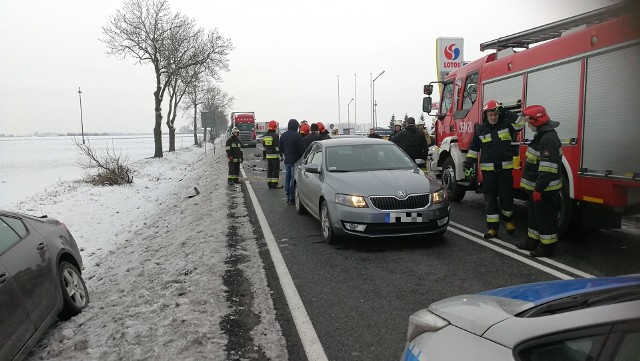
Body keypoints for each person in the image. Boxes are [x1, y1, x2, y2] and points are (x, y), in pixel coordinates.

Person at [463, 100, 526, 238]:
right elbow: (474, 147)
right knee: (490, 199)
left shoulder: (506, 124)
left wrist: (506, 112)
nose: (493, 117)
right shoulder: (480, 128)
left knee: (506, 198)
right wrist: (468, 162)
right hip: (488, 172)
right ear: (486, 114)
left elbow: (521, 123)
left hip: (504, 171)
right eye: (491, 114)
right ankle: (493, 228)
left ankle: (509, 220)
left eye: (496, 114)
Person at [517, 105, 562, 257]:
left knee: (545, 219)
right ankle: (532, 241)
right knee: (534, 217)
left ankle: (547, 248)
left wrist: (538, 189)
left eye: (529, 122)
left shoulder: (548, 139)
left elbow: (547, 169)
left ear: (536, 121)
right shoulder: (541, 135)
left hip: (545, 190)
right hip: (537, 188)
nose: (528, 125)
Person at [279, 119, 305, 205]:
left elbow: (280, 148)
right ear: (296, 127)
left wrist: (285, 154)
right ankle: (292, 196)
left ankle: (288, 195)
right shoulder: (298, 136)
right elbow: (302, 150)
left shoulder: (283, 135)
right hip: (295, 161)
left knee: (287, 178)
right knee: (293, 179)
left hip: (287, 159)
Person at [263, 120, 282, 189]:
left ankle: (269, 184)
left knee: (270, 169)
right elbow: (277, 147)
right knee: (275, 169)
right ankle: (274, 184)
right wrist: (281, 154)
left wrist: (264, 155)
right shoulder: (275, 135)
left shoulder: (265, 135)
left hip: (268, 155)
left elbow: (264, 147)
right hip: (275, 155)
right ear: (274, 127)